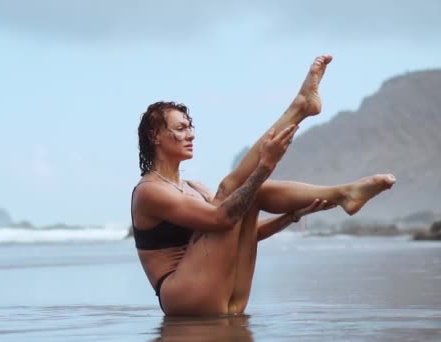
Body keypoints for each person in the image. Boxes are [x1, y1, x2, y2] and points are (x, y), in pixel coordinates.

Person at [131, 55, 396, 316]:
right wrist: (266, 165)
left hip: (224, 299)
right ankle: (301, 111)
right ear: (155, 135)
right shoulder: (150, 191)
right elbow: (222, 219)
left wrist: (292, 216)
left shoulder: (195, 188)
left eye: (190, 127)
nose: (191, 134)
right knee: (231, 190)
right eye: (180, 128)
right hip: (182, 297)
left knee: (250, 194)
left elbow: (240, 230)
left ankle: (342, 189)